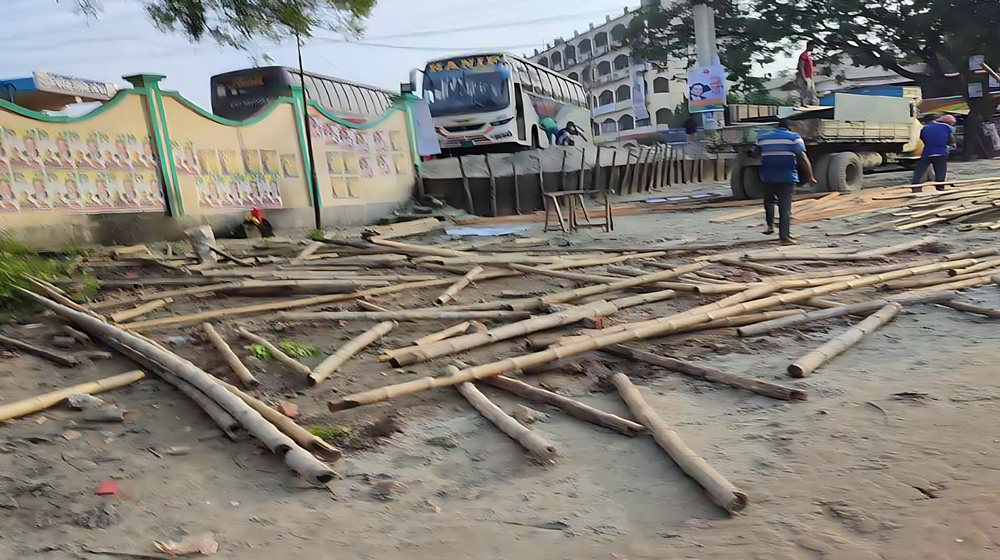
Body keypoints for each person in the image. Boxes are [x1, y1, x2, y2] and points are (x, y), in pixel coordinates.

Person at [755, 119, 818, 245]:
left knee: (768, 201)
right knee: (785, 207)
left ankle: (770, 226)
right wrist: (810, 177)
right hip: (786, 177)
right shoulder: (794, 137)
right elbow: (802, 158)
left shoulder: (762, 138)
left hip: (767, 176)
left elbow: (754, 153)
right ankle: (784, 237)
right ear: (790, 127)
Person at [911, 114, 958, 192]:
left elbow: (923, 139)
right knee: (940, 171)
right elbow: (951, 139)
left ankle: (916, 187)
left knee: (920, 171)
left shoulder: (924, 129)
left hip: (927, 152)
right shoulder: (945, 127)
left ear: (925, 121)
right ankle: (940, 187)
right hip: (941, 152)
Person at [797, 41, 818, 106]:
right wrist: (804, 77)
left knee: (812, 92)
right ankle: (804, 104)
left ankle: (813, 104)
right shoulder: (804, 55)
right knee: (805, 92)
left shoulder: (810, 56)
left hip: (810, 77)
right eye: (812, 46)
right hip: (805, 77)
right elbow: (801, 67)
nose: (813, 48)